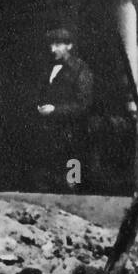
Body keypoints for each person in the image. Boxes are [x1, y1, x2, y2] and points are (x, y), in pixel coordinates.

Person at [35, 26, 94, 190]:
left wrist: (55, 110)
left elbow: (84, 105)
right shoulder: (48, 70)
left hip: (73, 134)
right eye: (51, 45)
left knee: (73, 180)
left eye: (58, 45)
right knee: (51, 180)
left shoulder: (80, 70)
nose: (52, 49)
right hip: (52, 134)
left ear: (69, 46)